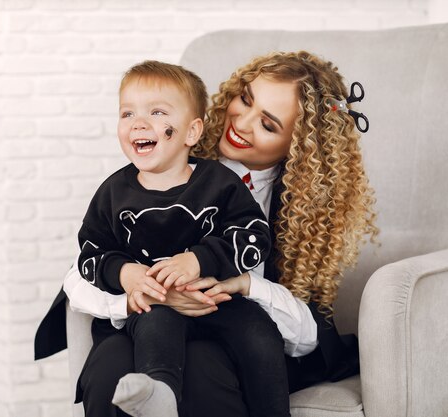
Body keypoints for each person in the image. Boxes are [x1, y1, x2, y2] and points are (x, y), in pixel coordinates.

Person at [34, 50, 378, 417]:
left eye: (268, 124)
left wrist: (244, 284)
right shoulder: (165, 161)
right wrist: (146, 293)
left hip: (228, 324)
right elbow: (87, 262)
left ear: (298, 144)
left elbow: (307, 335)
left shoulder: (302, 213)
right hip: (144, 318)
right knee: (110, 368)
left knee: (205, 369)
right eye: (245, 100)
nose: (242, 123)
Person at [76, 60, 290, 417]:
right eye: (127, 114)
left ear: (191, 132)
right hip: (153, 305)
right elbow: (91, 253)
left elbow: (253, 235)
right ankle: (160, 396)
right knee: (158, 323)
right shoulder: (113, 193)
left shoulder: (219, 182)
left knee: (259, 331)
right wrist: (125, 274)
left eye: (157, 112)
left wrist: (200, 260)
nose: (139, 123)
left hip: (216, 301)